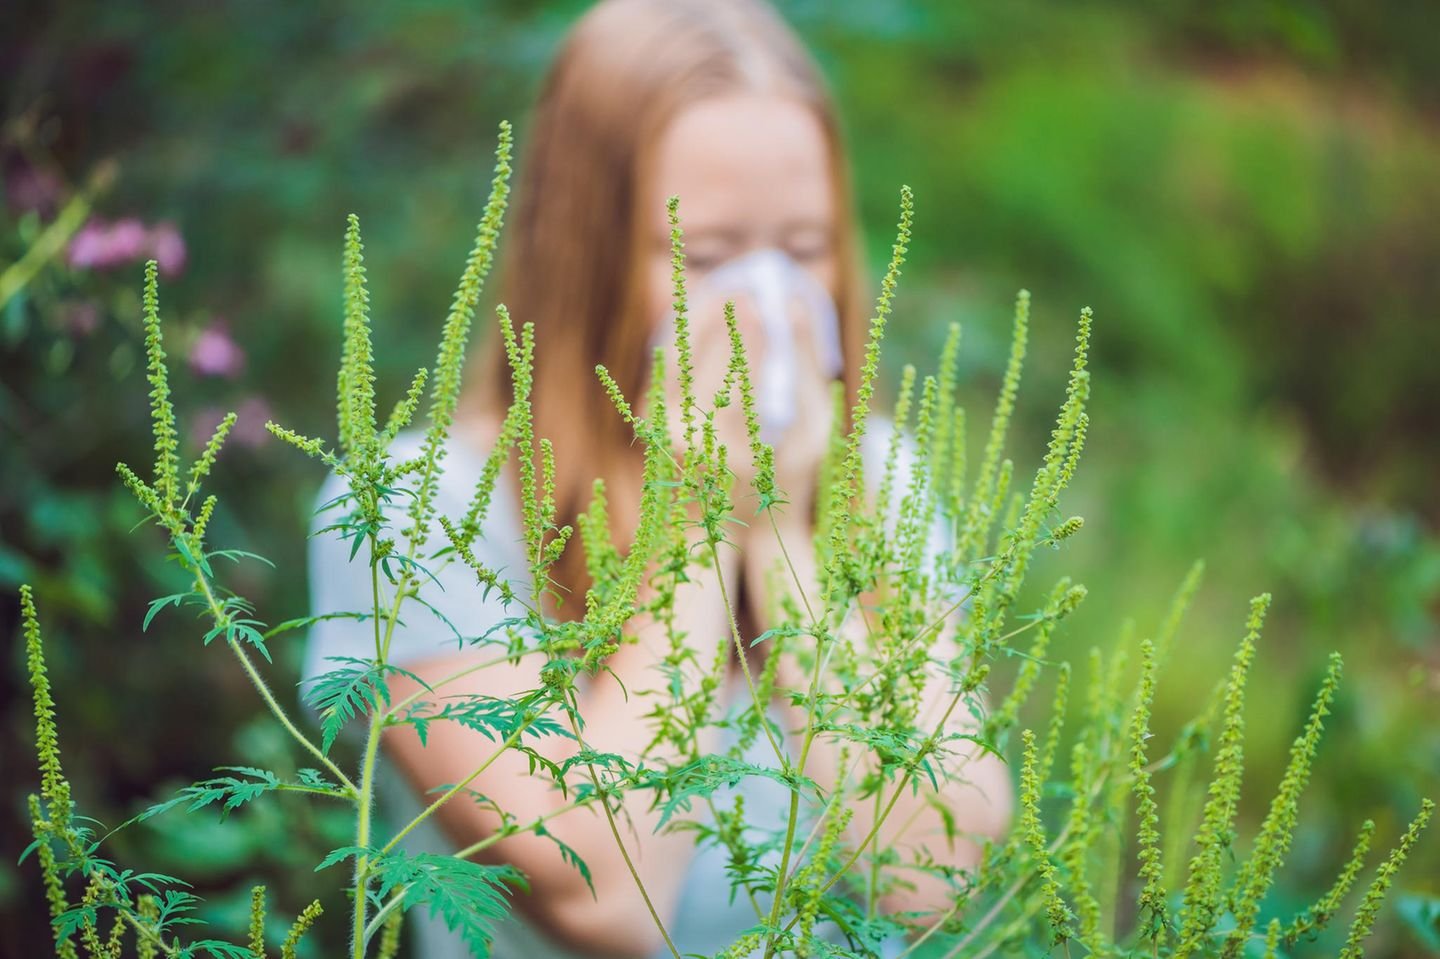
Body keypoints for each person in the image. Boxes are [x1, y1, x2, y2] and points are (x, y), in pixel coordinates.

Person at [305, 1, 1012, 956]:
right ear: (584, 257)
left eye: (801, 251)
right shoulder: (415, 511)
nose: (762, 302)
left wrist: (784, 534)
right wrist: (704, 519)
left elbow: (930, 877)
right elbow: (605, 896)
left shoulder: (883, 478)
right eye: (709, 257)